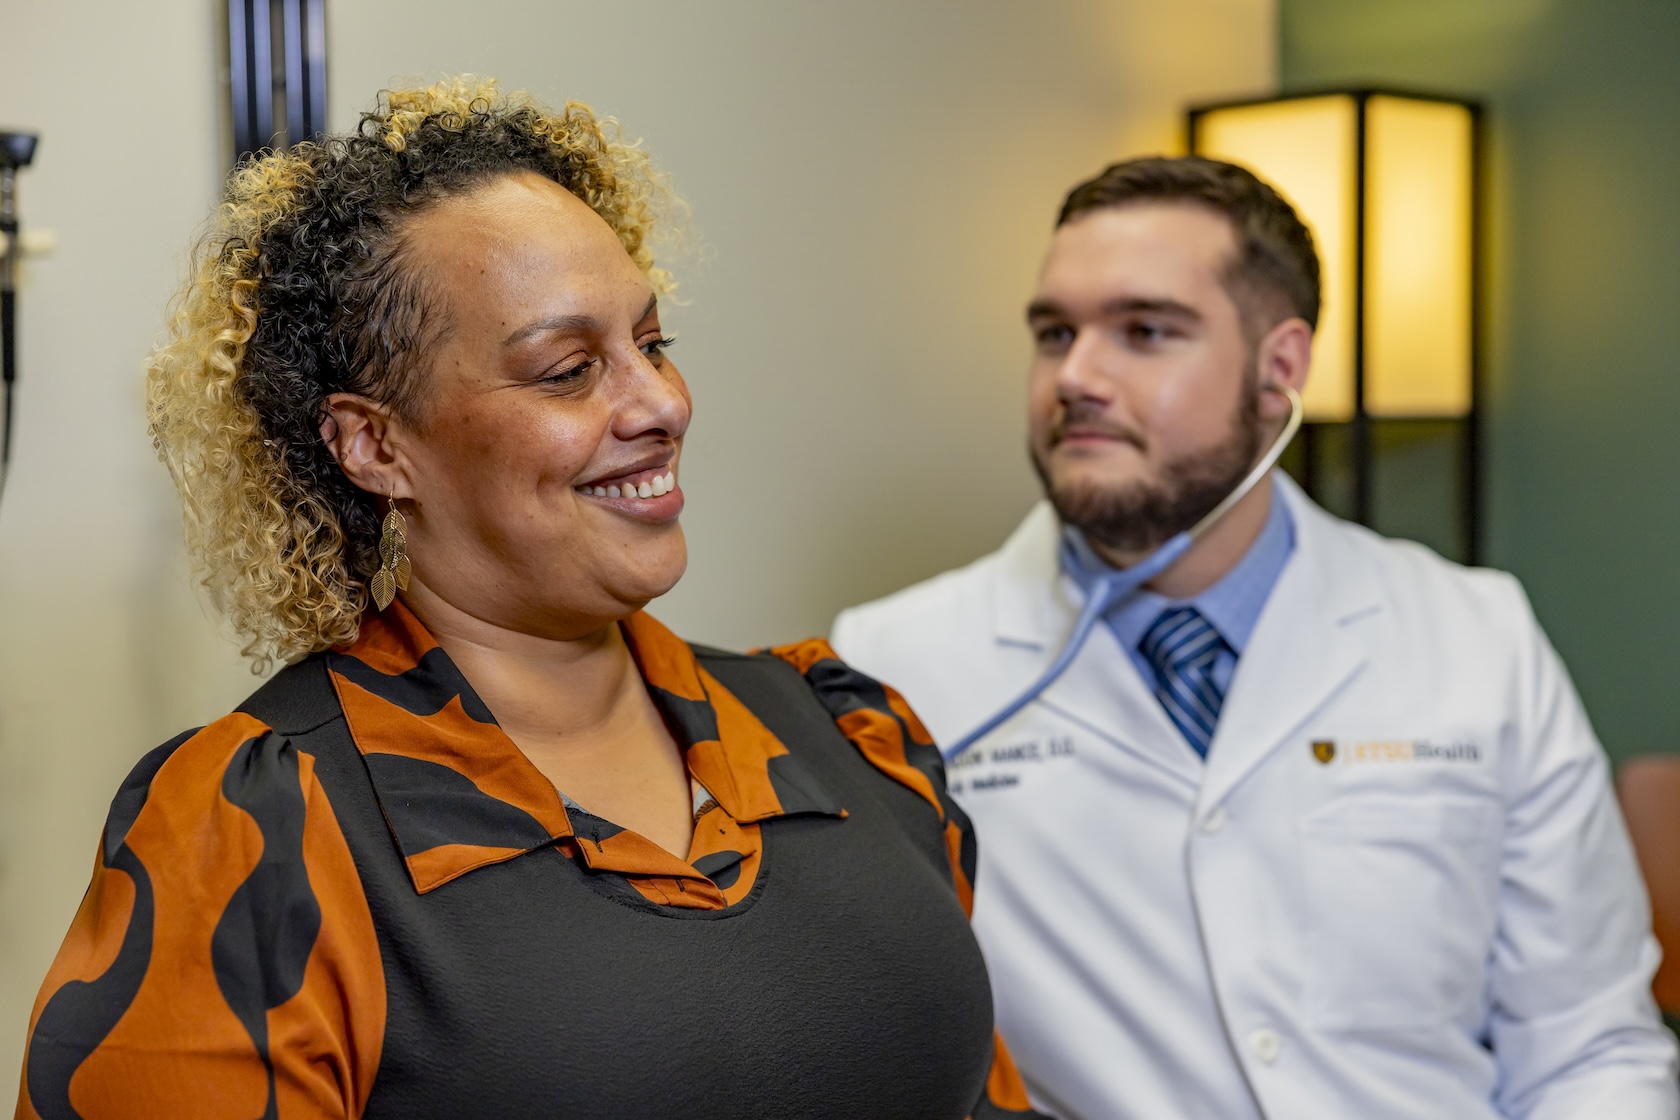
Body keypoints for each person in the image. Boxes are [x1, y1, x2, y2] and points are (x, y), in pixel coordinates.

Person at [14, 79, 1046, 1120]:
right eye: (567, 371)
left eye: (653, 344)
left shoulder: (841, 732)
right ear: (376, 444)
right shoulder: (264, 828)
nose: (662, 403)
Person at [832, 156, 1679, 1119]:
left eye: (1145, 332)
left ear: (1280, 371)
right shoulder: (893, 669)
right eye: (1054, 333)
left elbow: (1588, 1046)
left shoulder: (1476, 637)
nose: (1076, 376)